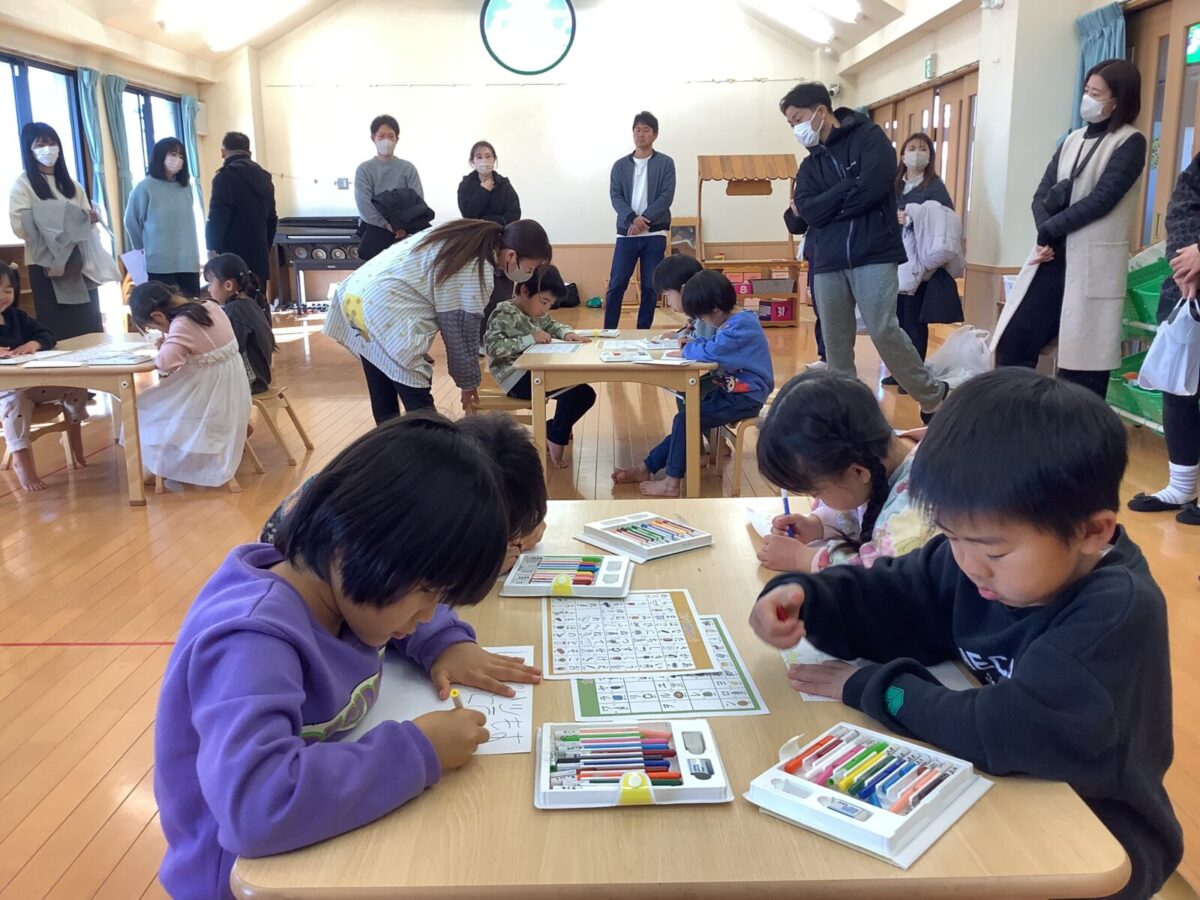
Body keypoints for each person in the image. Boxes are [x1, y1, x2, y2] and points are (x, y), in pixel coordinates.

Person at [749, 368, 1182, 900]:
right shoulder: (976, 566)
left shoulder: (1115, 613)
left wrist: (872, 688)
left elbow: (1003, 729)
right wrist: (808, 600)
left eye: (995, 551)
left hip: (1093, 845)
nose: (970, 566)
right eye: (953, 538)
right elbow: (895, 595)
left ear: (1092, 531)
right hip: (992, 795)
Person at [153, 412, 543, 900]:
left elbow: (396, 602)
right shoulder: (251, 641)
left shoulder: (345, 595)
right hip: (245, 880)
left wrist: (442, 640)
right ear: (349, 547)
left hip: (323, 843)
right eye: (427, 592)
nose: (427, 614)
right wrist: (418, 750)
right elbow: (255, 807)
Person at [781, 83, 948, 421]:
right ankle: (848, 416)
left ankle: (933, 395)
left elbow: (874, 187)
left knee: (883, 329)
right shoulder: (810, 164)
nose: (796, 128)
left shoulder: (869, 137)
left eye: (798, 119)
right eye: (790, 124)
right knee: (835, 344)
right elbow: (808, 212)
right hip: (827, 259)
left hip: (873, 251)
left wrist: (828, 207)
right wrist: (846, 187)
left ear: (820, 111)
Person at [993, 60, 1147, 399]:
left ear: (1118, 100)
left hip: (1092, 264)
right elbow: (1041, 194)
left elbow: (1102, 199)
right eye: (1087, 90)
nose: (1087, 98)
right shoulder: (1072, 140)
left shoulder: (1130, 141)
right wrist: (1043, 232)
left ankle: (1075, 430)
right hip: (1051, 259)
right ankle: (1015, 417)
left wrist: (1050, 230)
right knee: (1013, 342)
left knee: (1082, 369)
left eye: (1096, 93)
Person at [258, 413, 549, 578]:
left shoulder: (427, 477)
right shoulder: (384, 527)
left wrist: (520, 527)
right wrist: (480, 567)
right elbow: (395, 603)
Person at [323, 218, 552, 424]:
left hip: (356, 297)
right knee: (420, 405)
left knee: (382, 391)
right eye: (529, 268)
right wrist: (468, 384)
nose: (528, 274)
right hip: (385, 311)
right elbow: (460, 333)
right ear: (511, 255)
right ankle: (430, 452)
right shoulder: (475, 267)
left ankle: (387, 450)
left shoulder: (465, 235)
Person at [754, 370, 935, 572]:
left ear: (857, 472)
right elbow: (864, 503)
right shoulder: (880, 451)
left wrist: (803, 558)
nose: (816, 498)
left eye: (816, 491)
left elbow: (881, 576)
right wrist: (818, 525)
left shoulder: (918, 504)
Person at [613, 270, 773, 497]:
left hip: (746, 397)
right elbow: (712, 344)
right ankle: (646, 467)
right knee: (687, 421)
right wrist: (692, 343)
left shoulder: (741, 325)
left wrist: (687, 350)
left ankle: (671, 483)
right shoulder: (734, 322)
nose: (703, 322)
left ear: (715, 310)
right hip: (732, 393)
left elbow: (714, 350)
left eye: (703, 317)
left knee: (685, 420)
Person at [1129, 151, 1200, 524]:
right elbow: (1183, 207)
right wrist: (1187, 263)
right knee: (1178, 386)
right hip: (1186, 288)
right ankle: (1181, 486)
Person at [128, 282, 251, 487]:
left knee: (145, 408)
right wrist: (170, 341)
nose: (158, 331)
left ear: (158, 316)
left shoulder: (182, 324)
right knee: (157, 406)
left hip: (208, 394)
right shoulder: (209, 306)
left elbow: (166, 363)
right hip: (230, 392)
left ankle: (161, 467)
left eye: (154, 327)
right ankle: (165, 464)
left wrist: (166, 345)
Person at [484, 265, 594, 468]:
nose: (545, 309)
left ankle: (550, 430)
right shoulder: (504, 313)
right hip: (515, 378)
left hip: (534, 371)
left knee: (583, 392)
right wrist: (529, 339)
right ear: (525, 291)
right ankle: (555, 436)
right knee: (578, 393)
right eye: (544, 302)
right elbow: (493, 347)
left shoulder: (535, 312)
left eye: (550, 304)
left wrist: (566, 333)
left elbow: (551, 325)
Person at [8, 121, 103, 339]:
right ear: (29, 149)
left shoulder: (72, 185)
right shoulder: (23, 184)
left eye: (52, 143)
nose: (48, 149)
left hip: (78, 263)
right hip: (44, 264)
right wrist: (66, 219)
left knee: (88, 323)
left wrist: (88, 219)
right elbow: (20, 224)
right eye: (40, 144)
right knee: (56, 325)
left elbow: (86, 222)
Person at [0, 262, 88, 491]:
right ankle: (21, 461)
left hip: (31, 384)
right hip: (6, 392)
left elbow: (47, 334)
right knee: (15, 402)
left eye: (8, 290)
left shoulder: (16, 317)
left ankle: (74, 438)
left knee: (77, 384)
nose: (2, 296)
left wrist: (34, 343)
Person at [884, 133, 962, 386]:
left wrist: (914, 217)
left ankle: (915, 376)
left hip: (921, 263)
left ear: (930, 156)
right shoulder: (893, 185)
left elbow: (946, 220)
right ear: (902, 154)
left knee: (914, 320)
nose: (916, 153)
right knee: (895, 320)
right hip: (894, 258)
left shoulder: (935, 186)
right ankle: (898, 371)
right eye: (911, 148)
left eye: (922, 149)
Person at [603, 112, 675, 330]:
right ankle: (608, 331)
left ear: (655, 134)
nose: (641, 134)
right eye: (637, 129)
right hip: (626, 234)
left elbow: (666, 196)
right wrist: (632, 219)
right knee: (617, 284)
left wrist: (645, 220)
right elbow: (615, 196)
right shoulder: (620, 166)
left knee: (650, 287)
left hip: (655, 234)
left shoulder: (666, 163)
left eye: (646, 130)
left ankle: (642, 332)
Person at [124, 138, 201, 295]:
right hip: (159, 263)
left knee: (191, 306)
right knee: (165, 308)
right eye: (173, 154)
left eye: (181, 156)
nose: (177, 159)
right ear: (160, 156)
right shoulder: (145, 187)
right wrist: (141, 246)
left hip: (188, 261)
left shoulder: (185, 187)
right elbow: (131, 221)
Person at [205, 132, 278, 290]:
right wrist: (265, 246)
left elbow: (218, 217)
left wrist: (212, 247)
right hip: (258, 252)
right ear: (249, 152)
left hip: (231, 255)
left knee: (233, 299)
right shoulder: (265, 177)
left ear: (223, 152)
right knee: (257, 299)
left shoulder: (225, 176)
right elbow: (272, 219)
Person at [204, 253, 276, 395]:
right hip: (259, 377)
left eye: (210, 283)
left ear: (228, 285)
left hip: (249, 381)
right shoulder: (249, 303)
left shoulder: (235, 309)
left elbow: (229, 349)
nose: (208, 289)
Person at [354, 114, 424, 261]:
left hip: (405, 231)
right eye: (381, 136)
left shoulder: (408, 168)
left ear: (397, 139)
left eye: (391, 136)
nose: (386, 140)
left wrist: (403, 226)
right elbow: (364, 205)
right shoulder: (364, 169)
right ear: (373, 138)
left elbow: (418, 200)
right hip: (375, 229)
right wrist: (387, 224)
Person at [457, 141, 521, 226]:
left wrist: (489, 220)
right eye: (479, 157)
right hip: (476, 232)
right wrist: (483, 191)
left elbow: (515, 214)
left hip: (502, 231)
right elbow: (467, 214)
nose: (484, 161)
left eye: (488, 156)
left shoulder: (504, 184)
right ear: (472, 161)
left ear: (494, 159)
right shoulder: (466, 184)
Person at [653, 253, 714, 342]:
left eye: (668, 295)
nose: (668, 303)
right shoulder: (701, 314)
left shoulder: (707, 316)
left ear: (684, 289)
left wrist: (677, 336)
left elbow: (699, 342)